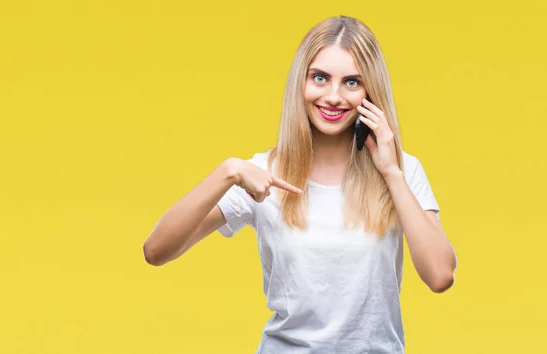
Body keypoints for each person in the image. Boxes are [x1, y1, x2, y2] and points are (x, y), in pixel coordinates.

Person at [143, 15, 458, 354]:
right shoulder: (263, 172)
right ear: (301, 83)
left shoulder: (402, 172)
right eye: (319, 78)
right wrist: (229, 172)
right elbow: (156, 251)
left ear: (371, 91)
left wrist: (391, 172)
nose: (333, 96)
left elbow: (440, 275)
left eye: (352, 82)